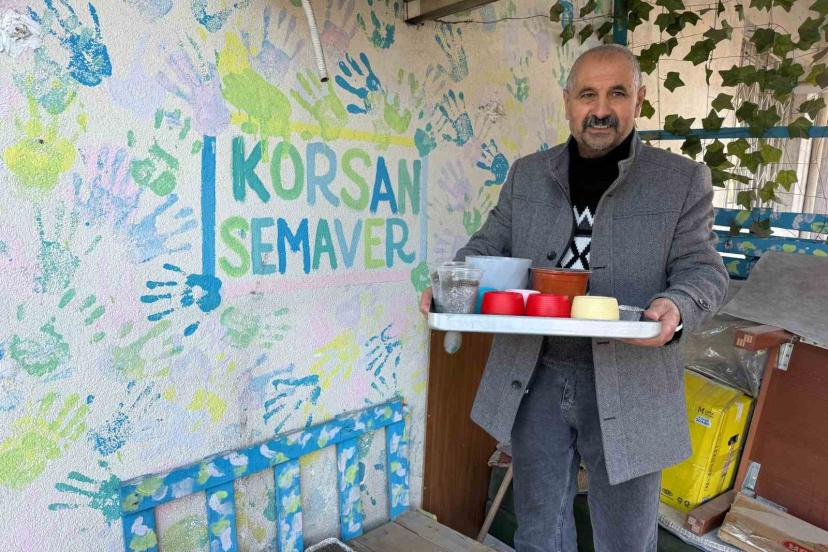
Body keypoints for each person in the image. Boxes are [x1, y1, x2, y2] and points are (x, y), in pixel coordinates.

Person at [419, 44, 728, 551]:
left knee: (626, 540)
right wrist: (450, 283)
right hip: (535, 373)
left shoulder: (680, 180)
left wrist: (676, 306)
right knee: (539, 531)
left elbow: (703, 269)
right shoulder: (528, 174)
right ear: (567, 102)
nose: (600, 109)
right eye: (587, 95)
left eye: (617, 94)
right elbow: (486, 246)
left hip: (632, 379)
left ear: (639, 100)